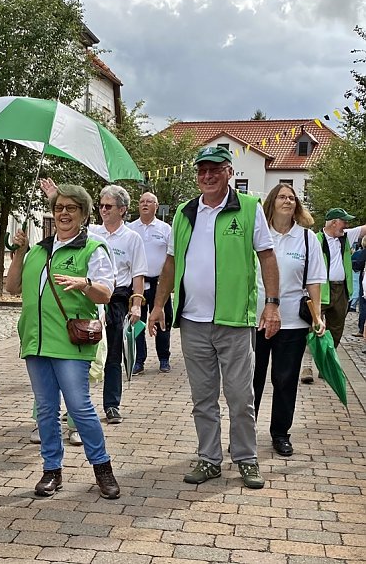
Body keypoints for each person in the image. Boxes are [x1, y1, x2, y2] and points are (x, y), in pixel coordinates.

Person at [149, 145, 280, 490]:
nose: (207, 176)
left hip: (234, 320)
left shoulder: (248, 208)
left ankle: (246, 458)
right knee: (203, 398)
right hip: (193, 321)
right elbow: (170, 262)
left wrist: (272, 304)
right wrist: (159, 305)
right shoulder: (185, 212)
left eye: (215, 170)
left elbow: (267, 256)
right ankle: (209, 458)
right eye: (202, 170)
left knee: (240, 396)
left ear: (229, 173)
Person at [5, 182, 120, 499]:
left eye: (71, 208)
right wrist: (19, 252)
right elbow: (12, 288)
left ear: (83, 214)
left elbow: (105, 293)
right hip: (36, 341)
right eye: (58, 208)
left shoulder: (92, 249)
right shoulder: (38, 251)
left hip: (71, 343)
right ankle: (51, 471)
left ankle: (103, 468)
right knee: (45, 410)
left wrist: (85, 284)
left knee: (79, 407)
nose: (63, 213)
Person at [253, 184, 326, 457]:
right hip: (256, 319)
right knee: (251, 379)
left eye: (292, 198)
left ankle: (280, 433)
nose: (288, 201)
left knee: (285, 380)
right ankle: (245, 432)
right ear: (271, 202)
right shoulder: (258, 234)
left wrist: (317, 316)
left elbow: (314, 280)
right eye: (282, 197)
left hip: (293, 321)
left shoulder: (307, 238)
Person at [88, 185, 147, 424]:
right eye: (101, 205)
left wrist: (136, 305)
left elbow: (138, 276)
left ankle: (112, 404)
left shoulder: (132, 238)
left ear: (122, 210)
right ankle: (74, 406)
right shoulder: (92, 232)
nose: (103, 210)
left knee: (113, 353)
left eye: (108, 206)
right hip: (91, 295)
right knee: (81, 351)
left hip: (117, 299)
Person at [128, 192, 173, 374]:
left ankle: (164, 358)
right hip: (137, 284)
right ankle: (139, 360)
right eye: (142, 201)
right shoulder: (130, 228)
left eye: (149, 201)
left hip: (159, 284)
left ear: (156, 206)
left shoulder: (165, 229)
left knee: (163, 321)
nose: (145, 204)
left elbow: (172, 256)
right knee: (136, 321)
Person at [315, 208, 365, 348]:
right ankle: (317, 354)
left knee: (337, 328)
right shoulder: (315, 239)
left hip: (341, 290)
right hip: (320, 288)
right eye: (344, 222)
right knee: (315, 326)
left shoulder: (345, 236)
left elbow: (363, 229)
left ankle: (330, 355)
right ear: (334, 223)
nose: (347, 225)